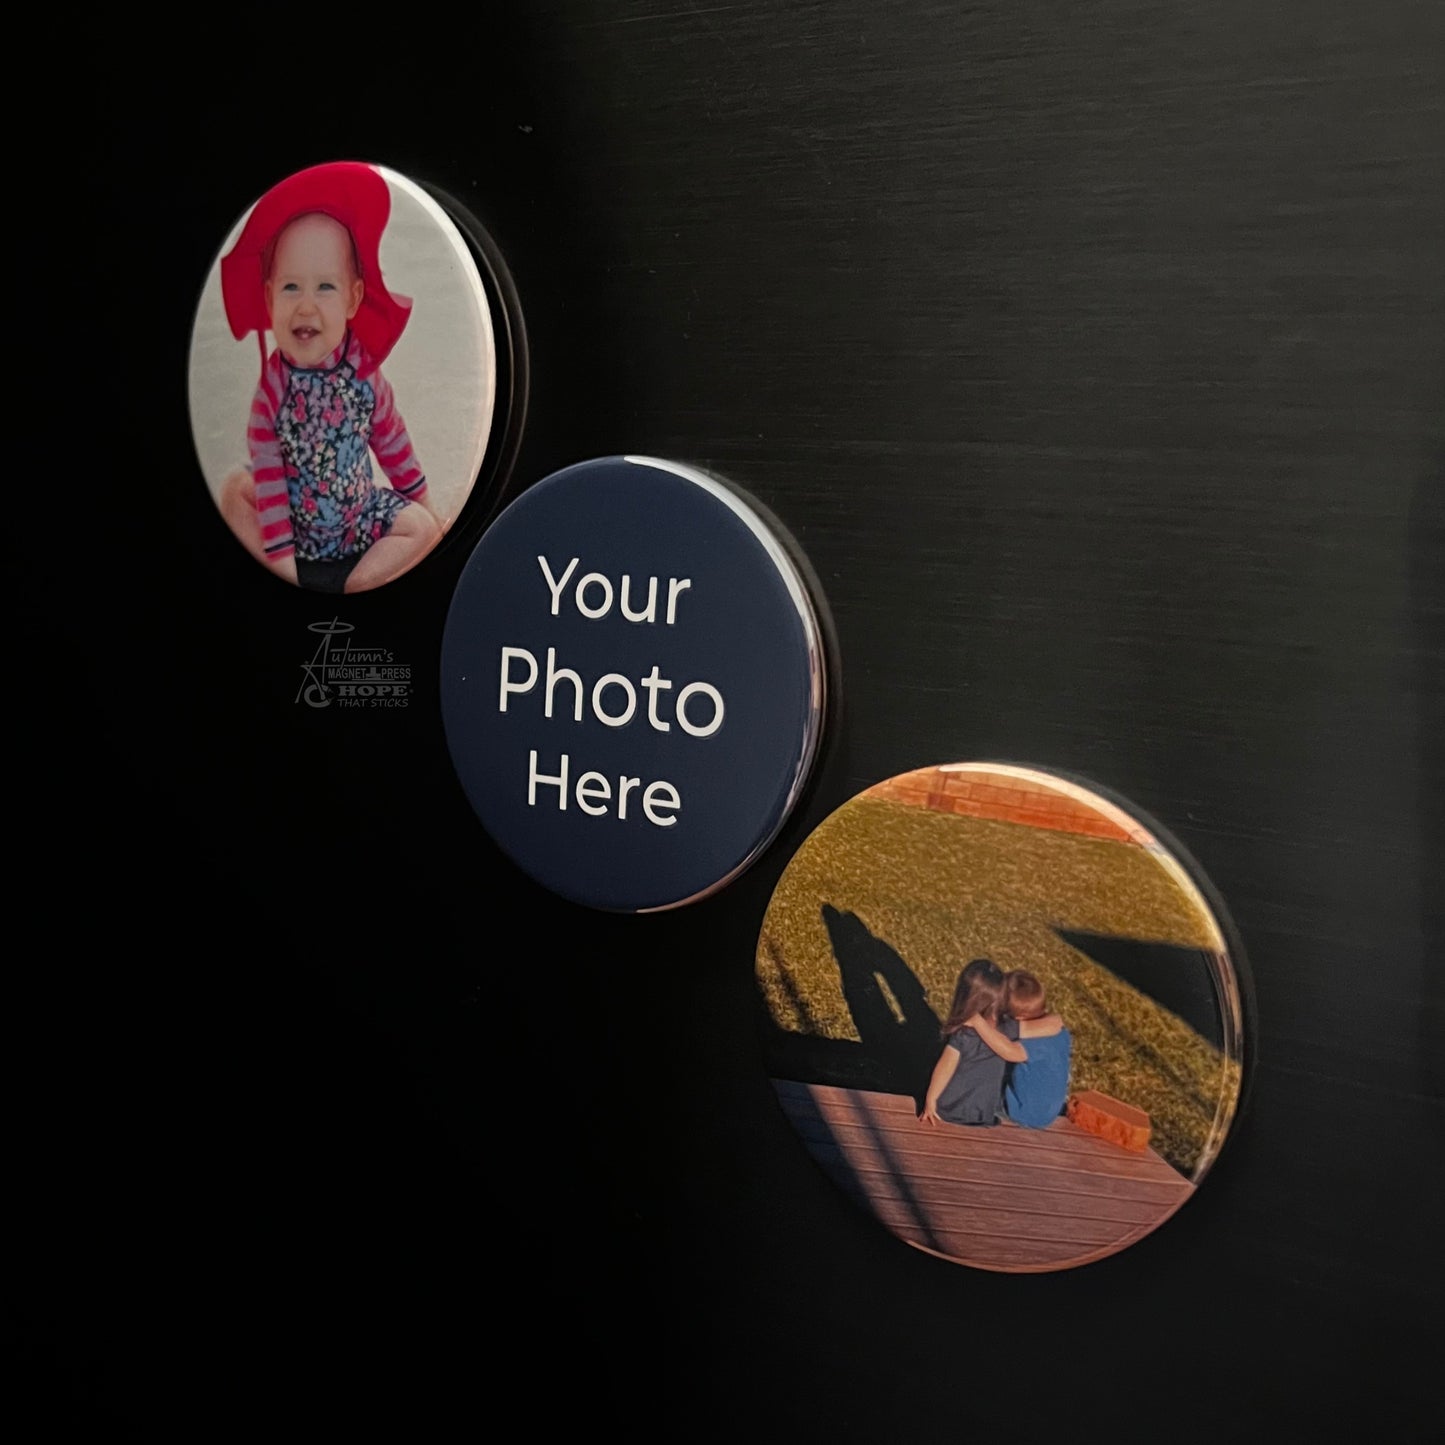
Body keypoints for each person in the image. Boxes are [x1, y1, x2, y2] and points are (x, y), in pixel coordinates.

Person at [216, 162, 441, 594]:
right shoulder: (271, 394)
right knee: (233, 489)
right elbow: (270, 482)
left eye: (324, 287)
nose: (305, 306)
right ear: (268, 297)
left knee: (422, 529)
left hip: (358, 521)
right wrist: (282, 564)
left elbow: (392, 442)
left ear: (353, 298)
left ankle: (355, 583)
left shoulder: (364, 372)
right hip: (292, 530)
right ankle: (286, 574)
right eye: (290, 288)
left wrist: (424, 504)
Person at [919, 959, 1016, 1127]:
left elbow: (946, 1067)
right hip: (980, 1114)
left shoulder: (964, 1034)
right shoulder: (1006, 1030)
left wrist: (931, 1099)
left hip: (952, 1110)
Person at [997, 970, 1072, 1127]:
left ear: (1019, 1018)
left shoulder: (1035, 1043)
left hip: (1025, 1113)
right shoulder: (1060, 1031)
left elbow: (1009, 1052)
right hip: (1049, 1111)